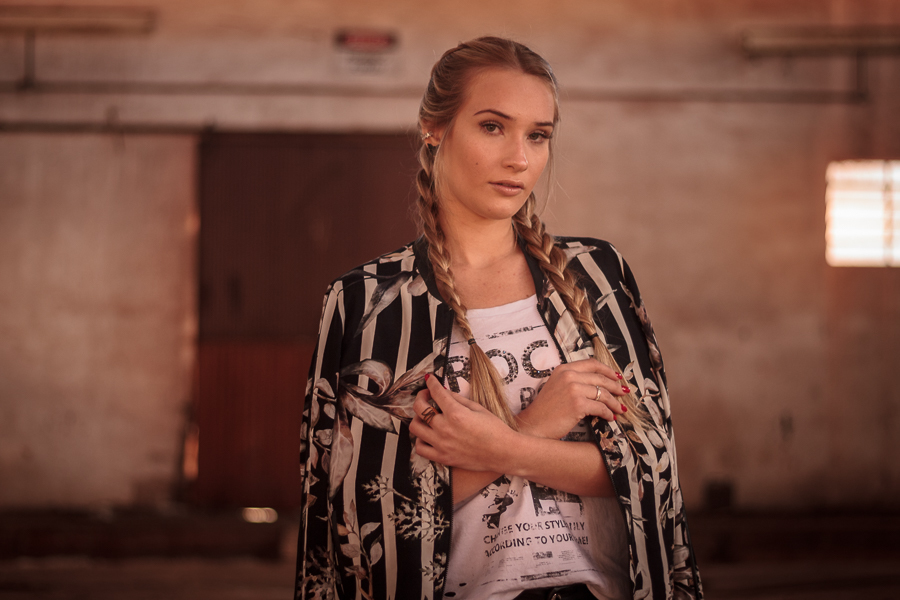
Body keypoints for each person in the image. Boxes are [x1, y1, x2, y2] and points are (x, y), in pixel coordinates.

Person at [295, 36, 702, 600]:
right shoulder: (368, 302)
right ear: (434, 129)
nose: (520, 158)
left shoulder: (598, 277)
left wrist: (501, 448)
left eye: (538, 135)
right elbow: (362, 518)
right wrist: (538, 425)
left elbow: (651, 471)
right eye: (493, 127)